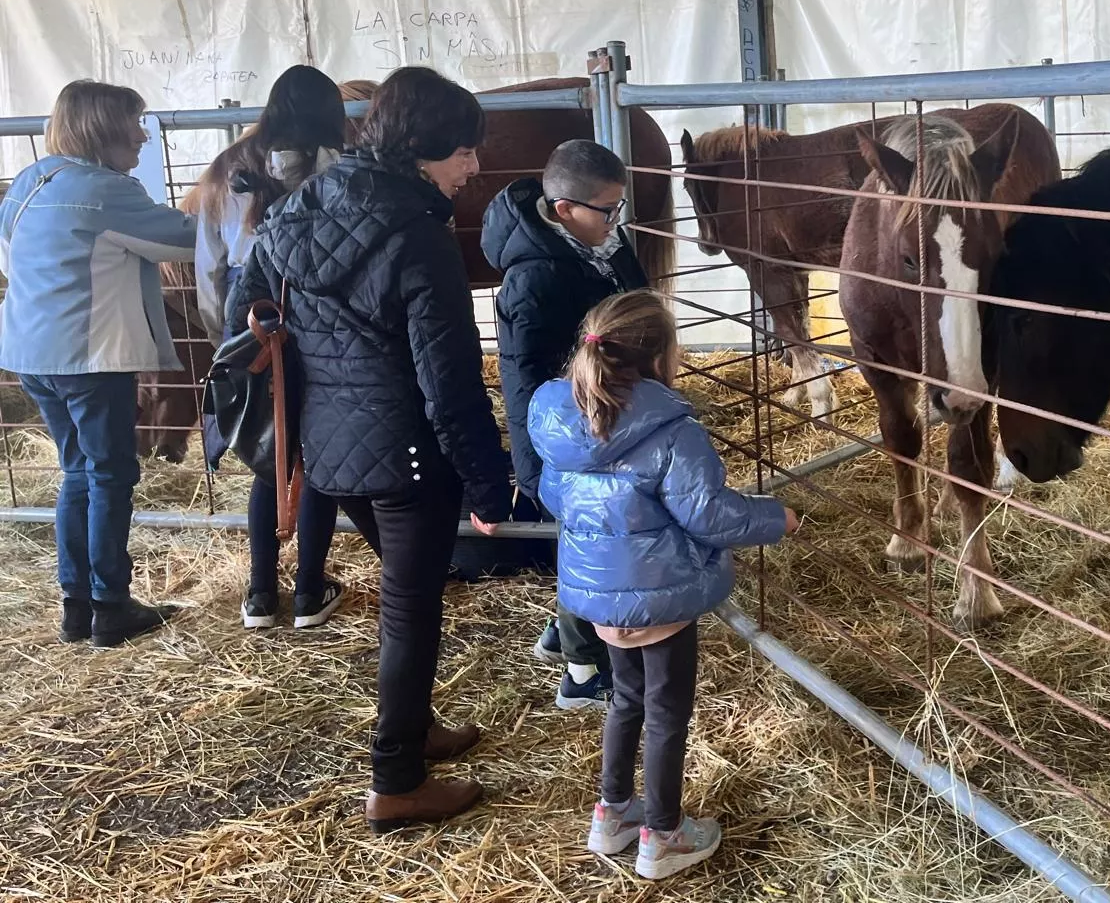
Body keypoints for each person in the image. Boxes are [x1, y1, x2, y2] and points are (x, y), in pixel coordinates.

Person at [228, 65, 513, 831]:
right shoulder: (420, 236)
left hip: (329, 453)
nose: (474, 166)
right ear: (423, 148)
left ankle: (414, 728)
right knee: (411, 610)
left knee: (406, 596)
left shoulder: (294, 209)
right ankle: (396, 781)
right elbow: (449, 380)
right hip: (407, 455)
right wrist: (488, 485)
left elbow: (243, 308)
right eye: (463, 151)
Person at [529, 289, 799, 881]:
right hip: (660, 594)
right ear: (660, 356)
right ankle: (663, 834)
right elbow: (710, 515)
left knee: (626, 699)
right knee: (667, 712)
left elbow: (553, 496)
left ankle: (612, 814)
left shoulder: (558, 419)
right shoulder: (675, 431)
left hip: (600, 594)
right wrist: (776, 518)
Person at [0, 81, 197, 648]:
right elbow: (184, 240)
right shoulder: (106, 190)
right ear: (103, 128)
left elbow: (10, 259)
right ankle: (111, 606)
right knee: (110, 474)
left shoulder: (29, 182)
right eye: (134, 123)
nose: (142, 136)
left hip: (31, 355)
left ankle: (77, 605)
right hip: (89, 358)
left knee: (79, 471)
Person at [479, 139, 646, 709]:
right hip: (569, 437)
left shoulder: (602, 246)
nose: (616, 221)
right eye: (607, 210)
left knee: (592, 537)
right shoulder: (534, 277)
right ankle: (582, 671)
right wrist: (558, 445)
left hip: (606, 420)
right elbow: (529, 375)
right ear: (564, 209)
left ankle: (561, 632)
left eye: (619, 207)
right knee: (588, 542)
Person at [193, 65, 355, 631]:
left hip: (255, 325)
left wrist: (228, 343)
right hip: (321, 322)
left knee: (270, 456)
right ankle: (309, 590)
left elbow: (209, 267)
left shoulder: (229, 168)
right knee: (317, 456)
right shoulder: (340, 165)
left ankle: (260, 593)